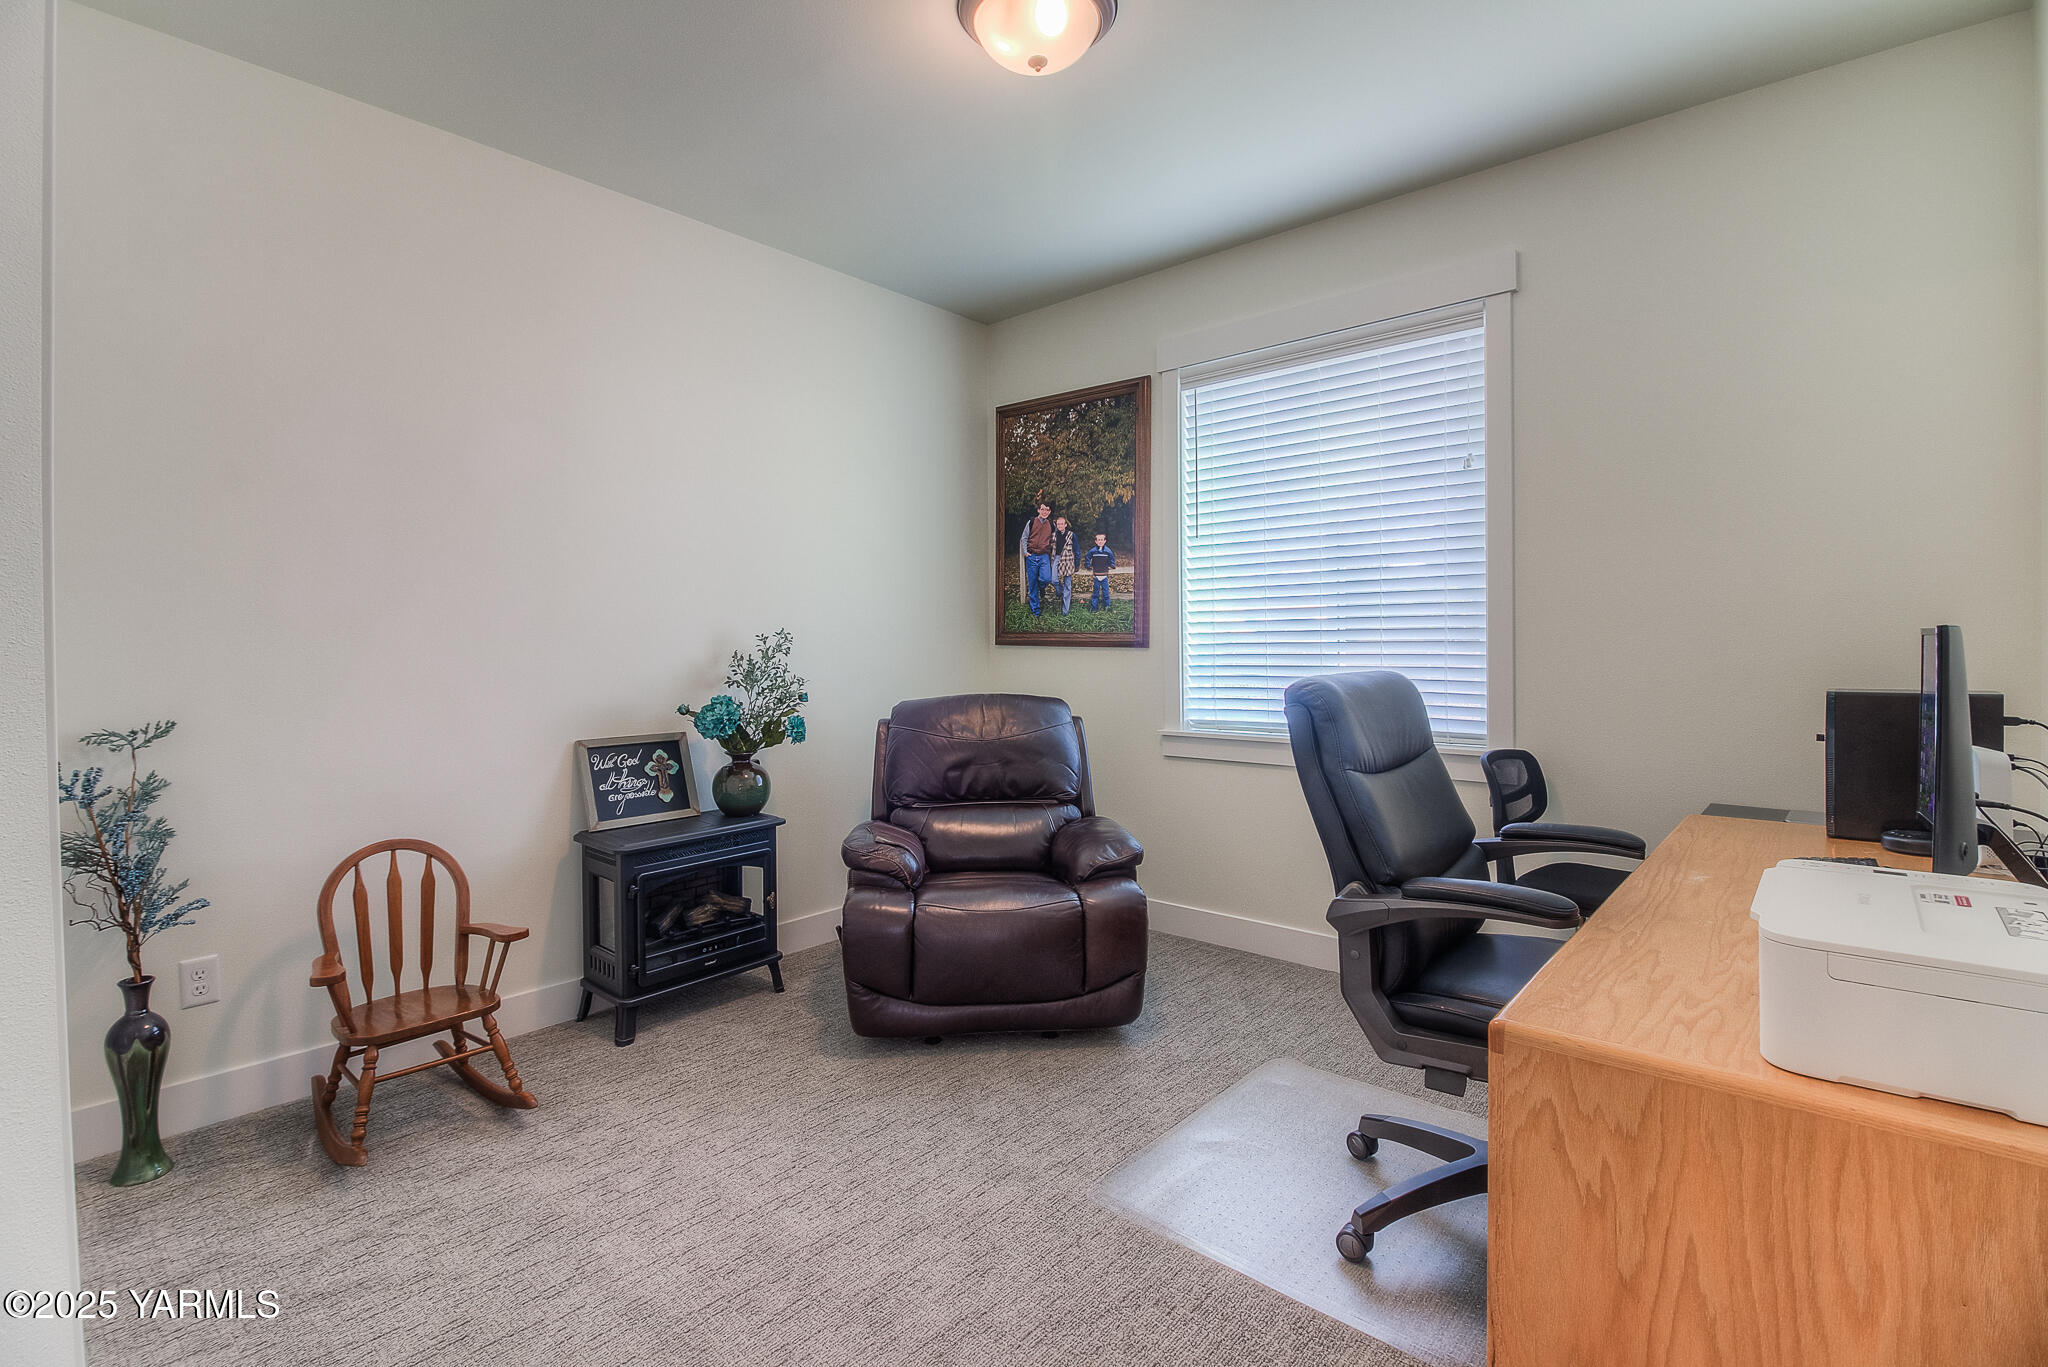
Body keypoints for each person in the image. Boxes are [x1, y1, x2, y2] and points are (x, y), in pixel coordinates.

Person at [1018, 500, 1055, 616]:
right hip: (1032, 556)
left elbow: (1055, 539)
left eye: (1047, 510)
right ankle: (1036, 610)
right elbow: (1024, 538)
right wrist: (1025, 552)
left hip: (1044, 556)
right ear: (1038, 510)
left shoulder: (1051, 525)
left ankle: (1041, 588)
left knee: (1046, 579)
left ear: (1049, 512)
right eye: (1042, 509)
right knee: (1032, 583)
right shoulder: (1032, 522)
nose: (1045, 512)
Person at [1083, 532, 1115, 610]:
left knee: (1106, 593)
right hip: (1096, 575)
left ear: (1105, 541)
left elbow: (1112, 559)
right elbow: (1087, 557)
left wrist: (1112, 565)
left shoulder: (1108, 551)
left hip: (1104, 576)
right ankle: (1094, 608)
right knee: (1095, 593)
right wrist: (1088, 565)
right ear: (1096, 541)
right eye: (1098, 540)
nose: (1100, 541)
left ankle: (1107, 607)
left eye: (1102, 540)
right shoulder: (1093, 551)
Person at [1052, 516, 1077, 615]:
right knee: (1053, 579)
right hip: (1057, 558)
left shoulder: (1071, 535)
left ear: (1065, 525)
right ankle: (1059, 592)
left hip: (1068, 560)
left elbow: (1077, 549)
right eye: (1058, 524)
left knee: (1068, 585)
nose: (1060, 526)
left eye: (1062, 524)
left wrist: (1077, 563)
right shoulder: (1054, 535)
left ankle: (1065, 611)